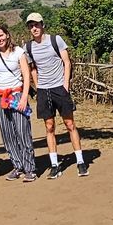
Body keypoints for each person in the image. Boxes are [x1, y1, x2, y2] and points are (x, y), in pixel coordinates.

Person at [24, 12, 88, 178]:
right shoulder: (29, 47)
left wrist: (65, 84)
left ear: (42, 25)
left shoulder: (55, 40)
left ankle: (80, 161)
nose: (34, 28)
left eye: (36, 24)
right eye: (31, 26)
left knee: (69, 124)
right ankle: (54, 164)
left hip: (59, 87)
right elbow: (32, 68)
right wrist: (38, 87)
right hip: (44, 90)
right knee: (49, 126)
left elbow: (66, 61)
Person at [0, 22, 37, 182]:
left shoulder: (19, 53)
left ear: (7, 35)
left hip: (16, 95)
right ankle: (17, 165)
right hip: (0, 97)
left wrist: (24, 97)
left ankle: (30, 168)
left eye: (1, 35)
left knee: (23, 132)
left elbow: (26, 76)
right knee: (7, 134)